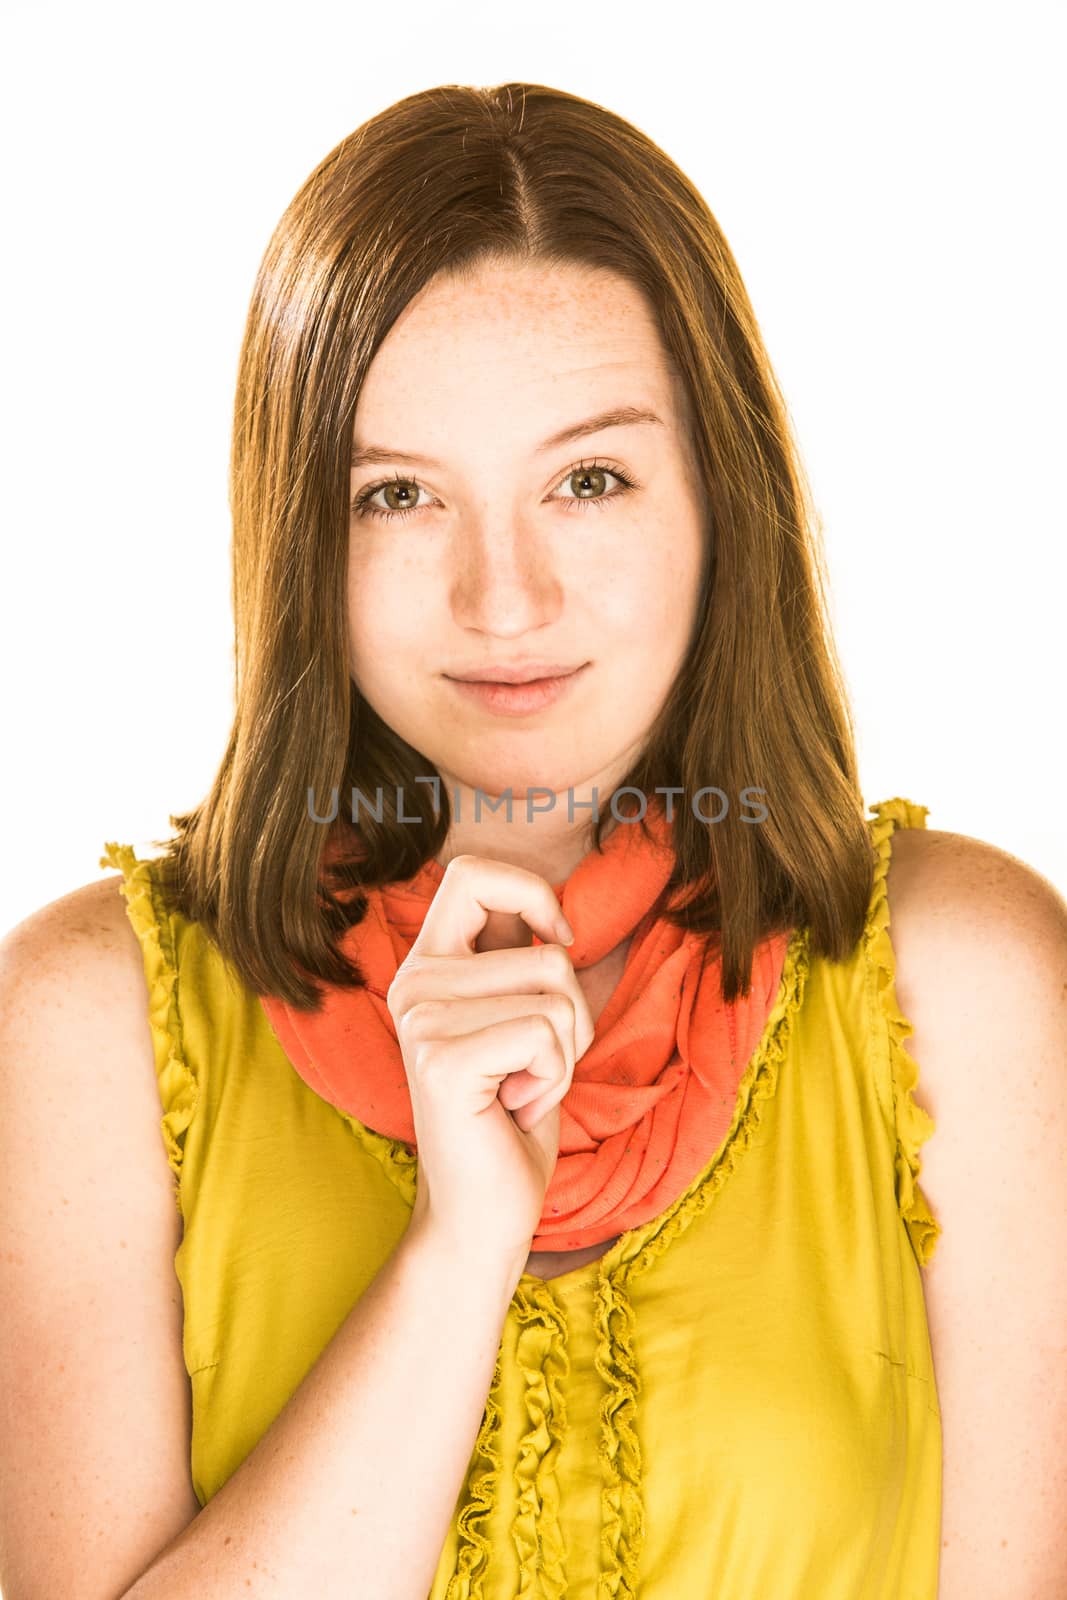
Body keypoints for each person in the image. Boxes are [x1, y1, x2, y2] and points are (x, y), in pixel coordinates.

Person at [1, 81, 1065, 1600]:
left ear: (720, 496)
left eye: (588, 479)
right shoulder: (85, 1024)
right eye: (398, 496)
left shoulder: (962, 983)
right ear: (300, 532)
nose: (503, 599)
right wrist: (458, 1250)